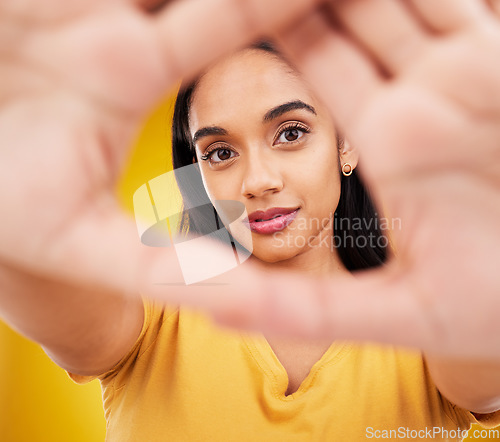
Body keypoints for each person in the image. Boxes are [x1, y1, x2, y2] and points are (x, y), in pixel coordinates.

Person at [1, 0, 500, 438]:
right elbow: (56, 307)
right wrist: (24, 185)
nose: (257, 181)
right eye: (219, 153)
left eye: (290, 132)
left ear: (347, 144)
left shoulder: (426, 322)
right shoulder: (157, 306)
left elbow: (483, 377)